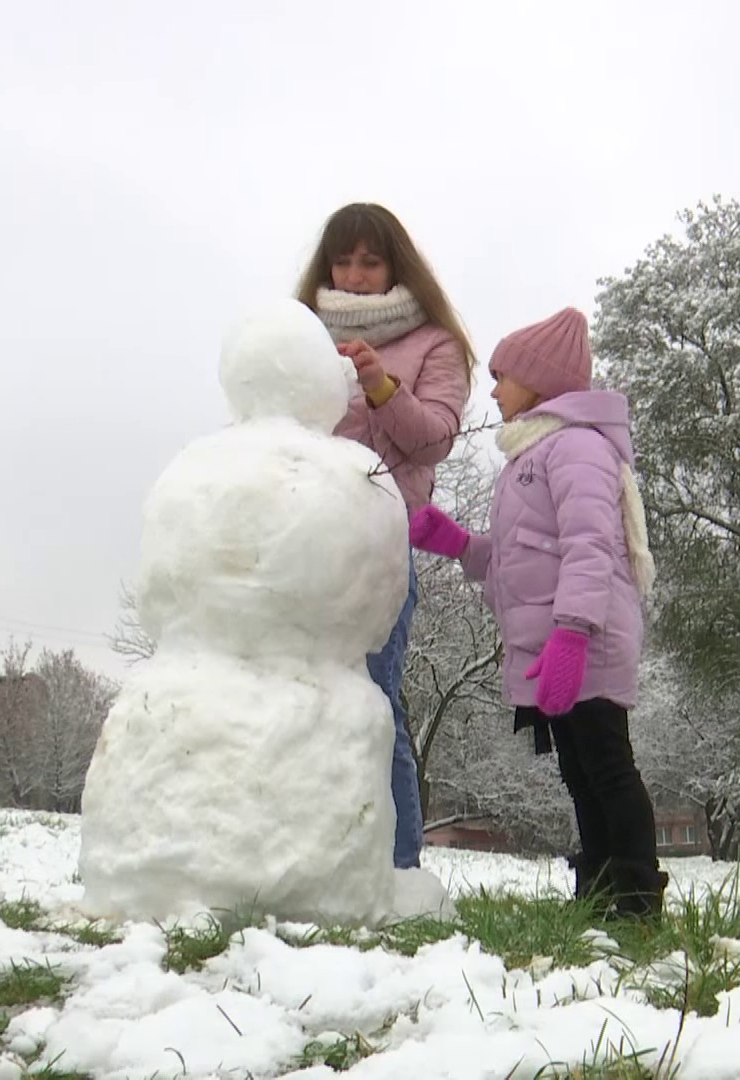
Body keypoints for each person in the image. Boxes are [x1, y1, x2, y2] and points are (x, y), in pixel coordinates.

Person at [406, 308, 666, 918]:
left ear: (542, 381)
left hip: (584, 640)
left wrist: (572, 635)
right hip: (553, 642)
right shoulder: (533, 453)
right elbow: (525, 559)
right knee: (580, 772)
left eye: (501, 376)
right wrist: (462, 546)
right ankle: (600, 893)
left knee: (607, 766)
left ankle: (634, 900)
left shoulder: (576, 447)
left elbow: (590, 546)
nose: (493, 390)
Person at [297, 203, 474, 870]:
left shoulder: (434, 342)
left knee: (372, 695)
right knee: (299, 693)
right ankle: (309, 856)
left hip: (377, 537)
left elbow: (433, 442)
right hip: (302, 536)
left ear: (396, 265)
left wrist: (379, 384)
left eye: (371, 261)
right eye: (344, 260)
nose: (356, 274)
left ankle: (397, 869)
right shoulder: (300, 333)